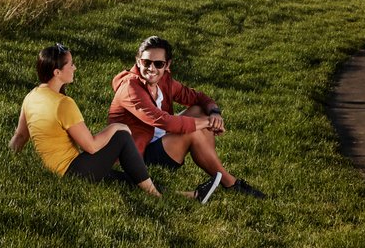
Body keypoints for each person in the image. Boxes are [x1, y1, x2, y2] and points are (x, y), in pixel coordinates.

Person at [108, 36, 264, 202]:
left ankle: (214, 166)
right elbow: (164, 121)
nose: (151, 68)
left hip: (158, 142)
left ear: (167, 65)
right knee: (194, 131)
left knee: (199, 110)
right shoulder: (130, 87)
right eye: (146, 62)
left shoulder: (164, 81)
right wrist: (208, 123)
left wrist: (215, 113)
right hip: (137, 157)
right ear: (138, 62)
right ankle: (230, 183)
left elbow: (197, 97)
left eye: (158, 64)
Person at [10, 43, 164, 197]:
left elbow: (20, 136)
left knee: (123, 178)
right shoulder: (63, 104)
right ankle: (155, 194)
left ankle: (160, 189)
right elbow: (91, 146)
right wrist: (117, 126)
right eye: (71, 64)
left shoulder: (31, 97)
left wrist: (8, 160)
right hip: (71, 172)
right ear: (57, 72)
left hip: (55, 171)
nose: (74, 68)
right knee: (122, 137)